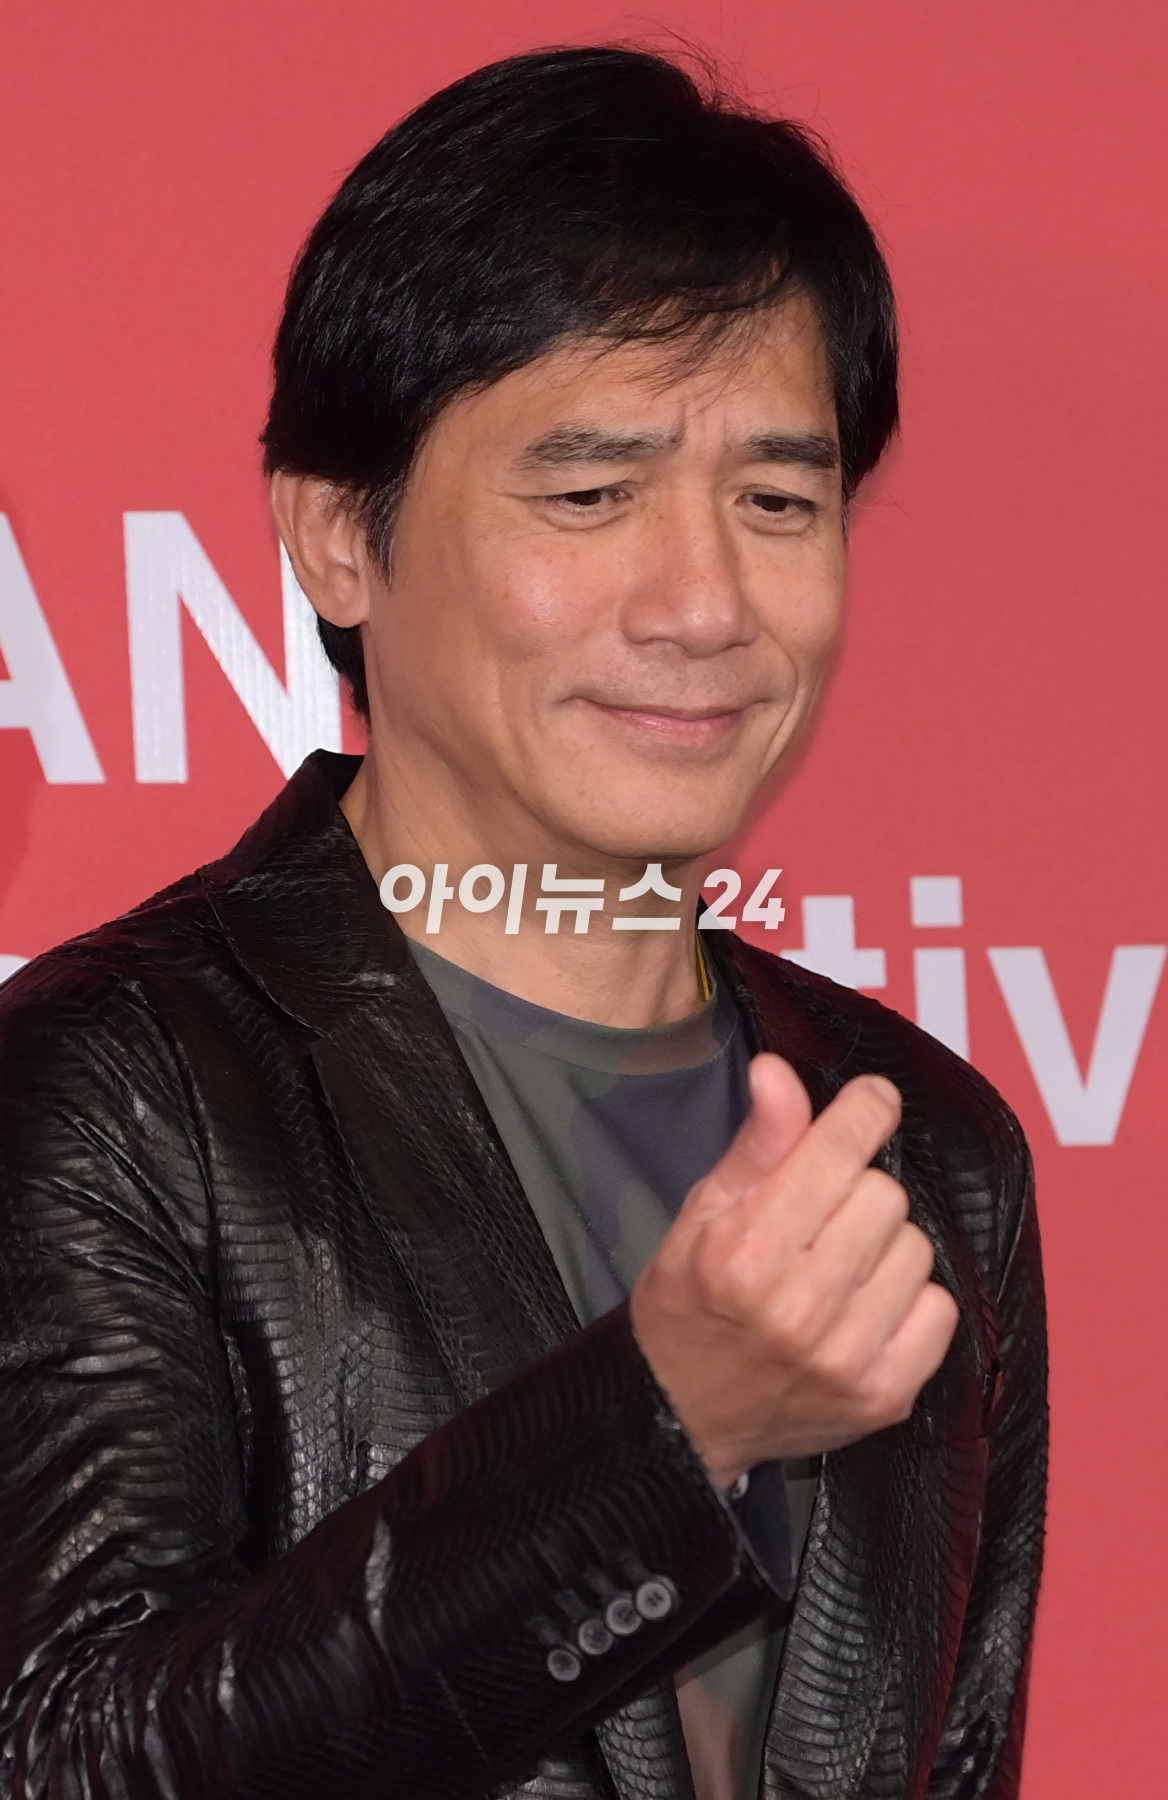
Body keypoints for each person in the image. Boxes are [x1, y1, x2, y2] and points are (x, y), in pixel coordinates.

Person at [0, 45, 1047, 1800]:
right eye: (590, 493)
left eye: (778, 502)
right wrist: (666, 1432)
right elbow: (64, 1765)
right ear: (340, 537)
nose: (705, 602)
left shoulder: (929, 1152)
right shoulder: (113, 1094)